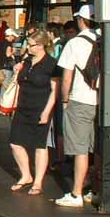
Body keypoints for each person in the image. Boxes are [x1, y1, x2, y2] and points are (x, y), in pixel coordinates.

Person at [55, 4, 98, 208]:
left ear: (81, 20)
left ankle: (76, 193)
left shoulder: (74, 43)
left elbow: (66, 77)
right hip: (101, 102)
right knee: (95, 148)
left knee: (80, 149)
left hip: (80, 100)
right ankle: (92, 190)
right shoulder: (105, 39)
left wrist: (65, 100)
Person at [9, 30, 58, 196]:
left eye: (31, 45)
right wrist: (18, 70)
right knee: (15, 142)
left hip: (40, 107)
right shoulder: (27, 61)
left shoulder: (51, 64)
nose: (28, 48)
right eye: (27, 44)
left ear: (42, 45)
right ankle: (26, 175)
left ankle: (38, 182)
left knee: (39, 145)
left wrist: (46, 112)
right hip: (23, 107)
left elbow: (54, 91)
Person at [46, 22, 65, 168]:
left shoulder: (58, 47)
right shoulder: (60, 46)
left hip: (56, 89)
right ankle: (59, 155)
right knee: (57, 125)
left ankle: (59, 156)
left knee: (57, 125)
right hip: (58, 88)